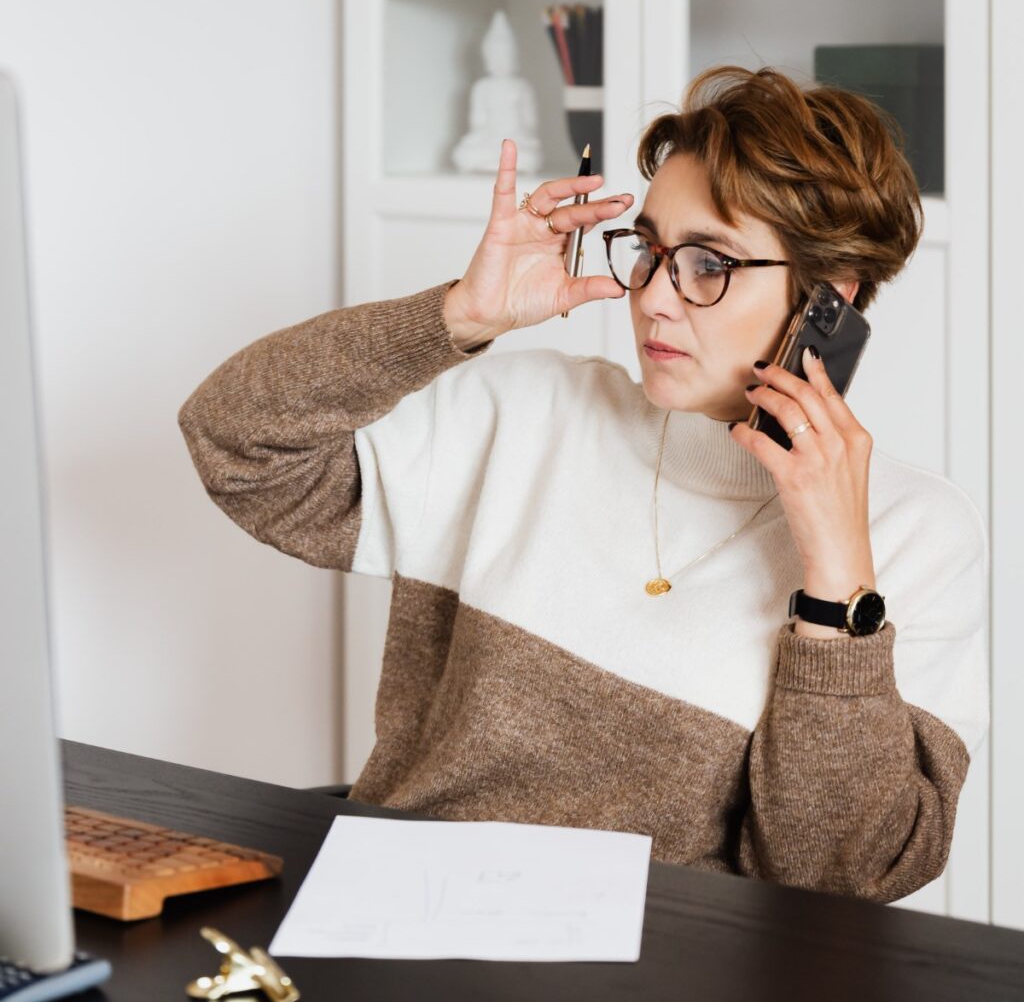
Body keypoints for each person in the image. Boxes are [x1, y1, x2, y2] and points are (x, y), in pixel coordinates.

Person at [177, 65, 988, 904]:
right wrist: (456, 317)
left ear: (830, 300)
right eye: (650, 250)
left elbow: (839, 878)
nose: (654, 299)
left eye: (708, 263)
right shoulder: (526, 411)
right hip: (397, 930)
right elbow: (235, 442)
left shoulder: (915, 534)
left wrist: (834, 588)